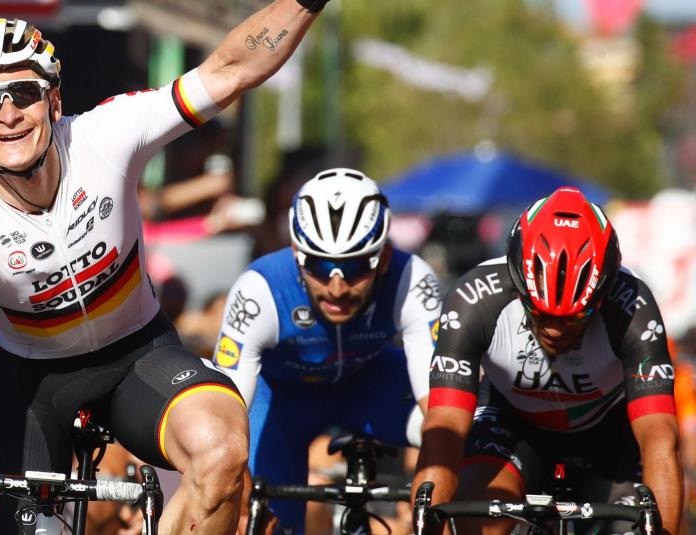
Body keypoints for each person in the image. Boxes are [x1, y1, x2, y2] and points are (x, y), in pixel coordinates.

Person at [0, 3, 327, 533]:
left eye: (24, 93)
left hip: (139, 353)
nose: (8, 113)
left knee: (222, 450)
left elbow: (230, 70)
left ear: (54, 99)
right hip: (32, 384)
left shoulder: (106, 135)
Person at [413, 187, 681, 535]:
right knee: (476, 522)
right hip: (512, 426)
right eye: (539, 314)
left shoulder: (633, 308)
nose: (554, 330)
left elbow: (660, 437)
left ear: (602, 296)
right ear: (517, 284)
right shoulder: (474, 299)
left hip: (610, 439)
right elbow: (445, 426)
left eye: (573, 318)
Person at [214, 169, 440, 532]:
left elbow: (441, 408)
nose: (337, 288)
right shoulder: (259, 290)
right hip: (280, 403)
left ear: (384, 258)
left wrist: (436, 501)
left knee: (468, 432)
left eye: (356, 267)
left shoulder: (414, 280)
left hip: (368, 387)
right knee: (260, 517)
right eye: (319, 266)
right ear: (296, 253)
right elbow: (223, 420)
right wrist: (239, 504)